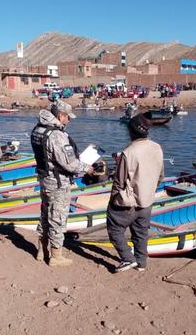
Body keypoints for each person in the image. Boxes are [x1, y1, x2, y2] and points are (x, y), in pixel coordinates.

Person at [30, 100, 93, 266]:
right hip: (58, 182)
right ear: (60, 116)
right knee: (58, 217)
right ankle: (56, 256)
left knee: (45, 215)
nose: (69, 121)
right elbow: (69, 164)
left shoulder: (38, 129)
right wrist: (87, 168)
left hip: (45, 179)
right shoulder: (56, 135)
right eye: (68, 117)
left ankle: (41, 250)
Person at [106, 114, 164, 273]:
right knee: (141, 232)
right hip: (147, 200)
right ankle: (141, 262)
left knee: (115, 229)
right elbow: (160, 176)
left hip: (129, 202)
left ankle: (127, 258)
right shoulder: (157, 147)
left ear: (131, 131)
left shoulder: (129, 152)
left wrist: (114, 200)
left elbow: (119, 181)